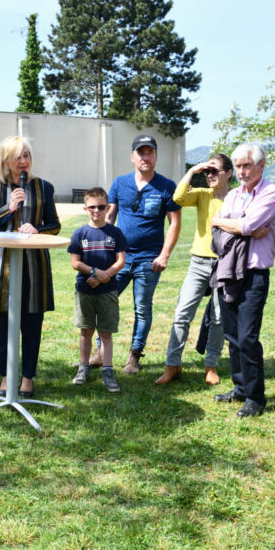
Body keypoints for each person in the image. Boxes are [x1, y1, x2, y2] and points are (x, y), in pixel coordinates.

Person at [0, 135, 61, 398]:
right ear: (6, 161)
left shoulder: (43, 187)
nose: (23, 161)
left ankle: (27, 378)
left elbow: (55, 225)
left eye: (26, 155)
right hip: (3, 266)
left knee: (32, 322)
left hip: (34, 265)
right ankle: (5, 377)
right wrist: (9, 208)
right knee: (3, 322)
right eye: (18, 157)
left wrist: (37, 229)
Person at [210, 143, 275, 418]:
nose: (241, 171)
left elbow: (247, 226)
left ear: (261, 166)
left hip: (254, 274)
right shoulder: (233, 195)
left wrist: (239, 225)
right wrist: (241, 225)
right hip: (228, 271)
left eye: (246, 166)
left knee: (248, 337)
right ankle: (240, 388)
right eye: (238, 166)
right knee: (232, 335)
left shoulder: (272, 193)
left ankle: (255, 397)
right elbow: (223, 226)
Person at [99, 134, 180, 374]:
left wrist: (164, 255)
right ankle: (100, 352)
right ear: (132, 157)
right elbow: (110, 216)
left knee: (142, 308)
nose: (146, 157)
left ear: (155, 156)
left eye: (150, 152)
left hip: (149, 260)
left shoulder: (167, 186)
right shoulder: (119, 183)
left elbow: (174, 223)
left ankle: (134, 356)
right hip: (121, 259)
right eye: (141, 152)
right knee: (105, 302)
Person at [155, 154, 237, 386]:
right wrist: (193, 171)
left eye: (215, 171)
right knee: (182, 314)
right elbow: (178, 197)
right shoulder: (202, 195)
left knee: (219, 318)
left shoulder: (237, 198)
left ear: (229, 173)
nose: (210, 175)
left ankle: (210, 367)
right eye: (207, 171)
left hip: (225, 264)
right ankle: (172, 365)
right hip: (199, 263)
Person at [69, 187, 127, 392]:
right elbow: (75, 262)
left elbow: (121, 261)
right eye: (92, 207)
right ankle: (83, 367)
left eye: (101, 207)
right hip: (85, 290)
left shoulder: (115, 233)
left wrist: (105, 276)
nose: (97, 211)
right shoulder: (80, 233)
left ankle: (108, 370)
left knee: (106, 333)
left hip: (108, 290)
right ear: (86, 208)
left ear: (108, 208)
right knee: (85, 331)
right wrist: (94, 273)